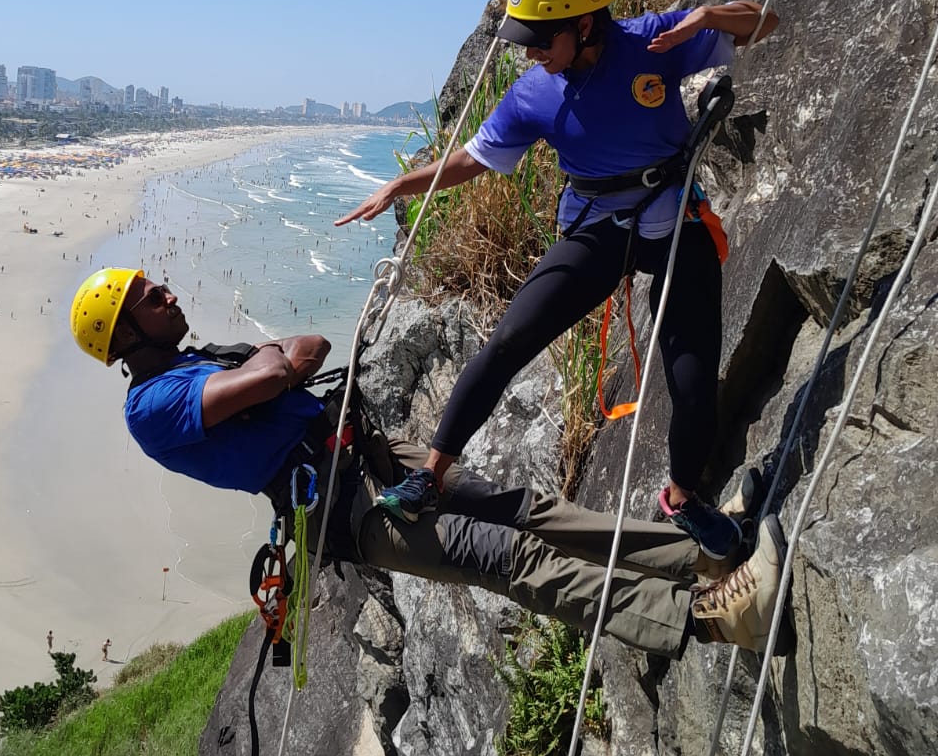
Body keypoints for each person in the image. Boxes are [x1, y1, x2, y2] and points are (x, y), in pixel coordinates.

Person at [68, 267, 786, 658]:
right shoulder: (152, 407)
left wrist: (278, 366)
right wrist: (274, 365)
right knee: (507, 556)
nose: (166, 292)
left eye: (156, 285)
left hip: (373, 455)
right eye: (147, 298)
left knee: (523, 510)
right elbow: (270, 374)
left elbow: (308, 346)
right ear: (123, 335)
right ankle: (705, 619)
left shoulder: (192, 362)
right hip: (347, 508)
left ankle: (694, 556)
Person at [336, 0, 779, 560]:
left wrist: (708, 18)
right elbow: (472, 159)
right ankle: (430, 476)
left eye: (541, 38)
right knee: (511, 338)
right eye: (525, 40)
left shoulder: (655, 41)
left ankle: (680, 500)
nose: (531, 52)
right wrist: (400, 185)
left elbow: (766, 22)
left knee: (693, 377)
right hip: (598, 227)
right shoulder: (534, 93)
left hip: (674, 218)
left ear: (586, 23)